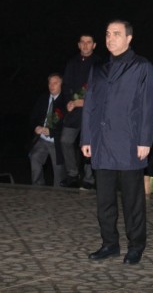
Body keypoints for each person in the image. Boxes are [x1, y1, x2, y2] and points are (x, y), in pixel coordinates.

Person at [81, 20, 153, 265]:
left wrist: (145, 140)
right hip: (102, 144)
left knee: (132, 201)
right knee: (104, 200)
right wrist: (87, 137)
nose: (110, 38)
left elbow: (150, 105)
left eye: (116, 34)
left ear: (129, 38)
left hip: (129, 144)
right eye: (107, 34)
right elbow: (90, 106)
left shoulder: (141, 67)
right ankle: (109, 244)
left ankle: (136, 246)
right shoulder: (99, 69)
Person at [60, 34, 102, 189]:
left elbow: (101, 89)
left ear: (94, 45)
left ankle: (89, 179)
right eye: (82, 42)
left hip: (91, 112)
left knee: (88, 145)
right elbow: (65, 87)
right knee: (65, 140)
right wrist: (69, 102)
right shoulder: (72, 63)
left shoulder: (99, 64)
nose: (85, 45)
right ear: (78, 45)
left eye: (89, 42)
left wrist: (84, 102)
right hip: (74, 113)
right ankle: (72, 175)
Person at [29, 73, 68, 186]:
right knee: (35, 157)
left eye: (55, 83)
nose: (52, 85)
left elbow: (68, 125)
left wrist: (51, 131)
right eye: (50, 83)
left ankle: (58, 194)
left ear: (61, 84)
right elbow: (33, 117)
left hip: (57, 141)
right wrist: (36, 126)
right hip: (42, 139)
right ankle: (37, 188)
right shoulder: (43, 98)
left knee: (59, 171)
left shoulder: (65, 101)